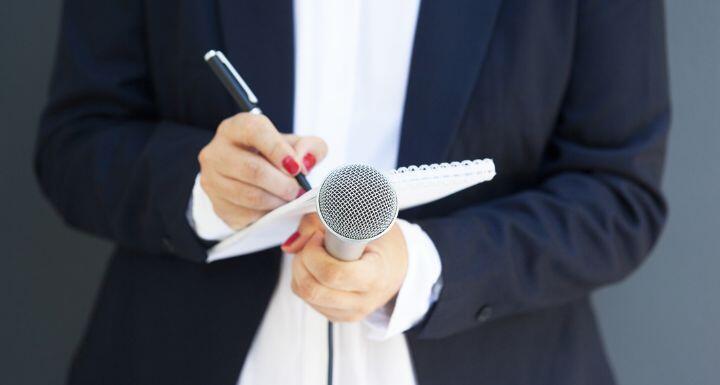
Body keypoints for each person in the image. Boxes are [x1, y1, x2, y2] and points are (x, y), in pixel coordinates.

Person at [35, 0, 670, 384]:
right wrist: (206, 189)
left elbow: (617, 196)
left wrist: (420, 267)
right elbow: (77, 141)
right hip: (182, 360)